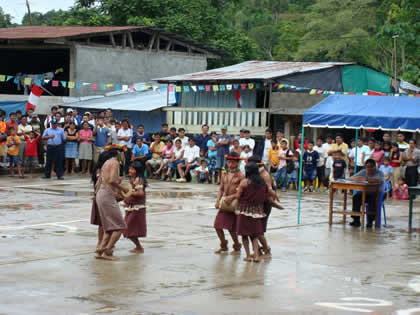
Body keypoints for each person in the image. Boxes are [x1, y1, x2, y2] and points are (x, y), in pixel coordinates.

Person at [230, 162, 276, 262]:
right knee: (254, 235)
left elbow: (238, 196)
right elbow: (269, 193)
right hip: (257, 212)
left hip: (244, 211)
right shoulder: (262, 183)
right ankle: (256, 256)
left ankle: (248, 256)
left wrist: (231, 197)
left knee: (244, 235)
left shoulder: (244, 182)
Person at [95, 148, 129, 261]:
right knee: (120, 226)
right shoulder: (114, 162)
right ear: (119, 154)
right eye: (123, 154)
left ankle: (100, 249)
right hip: (107, 195)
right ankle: (107, 252)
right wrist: (123, 188)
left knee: (109, 227)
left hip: (101, 194)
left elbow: (100, 182)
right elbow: (112, 180)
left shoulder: (106, 162)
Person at [214, 152, 244, 254]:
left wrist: (231, 197)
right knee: (217, 226)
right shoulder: (224, 173)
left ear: (237, 163)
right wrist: (218, 200)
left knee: (231, 228)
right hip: (224, 203)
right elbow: (221, 189)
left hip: (234, 204)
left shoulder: (241, 176)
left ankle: (237, 246)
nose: (230, 164)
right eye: (229, 162)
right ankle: (223, 245)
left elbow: (241, 193)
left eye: (232, 162)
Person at [348, 159, 384, 228]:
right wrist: (357, 178)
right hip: (365, 192)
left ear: (375, 167)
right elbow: (351, 178)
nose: (369, 168)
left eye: (371, 167)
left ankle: (370, 221)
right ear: (365, 167)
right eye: (368, 167)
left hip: (378, 193)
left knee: (372, 200)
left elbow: (377, 180)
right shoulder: (363, 171)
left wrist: (365, 179)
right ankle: (356, 220)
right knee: (356, 197)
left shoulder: (379, 173)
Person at [121, 161, 148, 253]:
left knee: (127, 228)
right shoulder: (132, 179)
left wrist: (129, 192)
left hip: (137, 208)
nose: (129, 170)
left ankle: (139, 247)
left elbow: (140, 193)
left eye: (132, 169)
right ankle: (138, 246)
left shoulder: (138, 180)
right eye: (129, 169)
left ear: (137, 170)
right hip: (131, 207)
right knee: (128, 229)